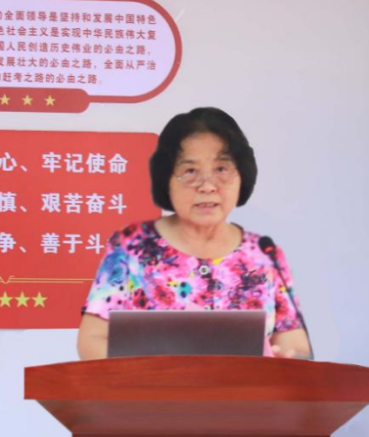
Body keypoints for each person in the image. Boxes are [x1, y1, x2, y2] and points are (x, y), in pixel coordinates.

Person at [76, 107, 312, 361]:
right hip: (151, 387)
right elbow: (92, 340)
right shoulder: (132, 246)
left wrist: (287, 358)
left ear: (242, 175)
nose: (207, 186)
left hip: (249, 387)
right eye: (190, 172)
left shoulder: (264, 253)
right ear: (166, 178)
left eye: (221, 169)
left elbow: (294, 341)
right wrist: (146, 376)